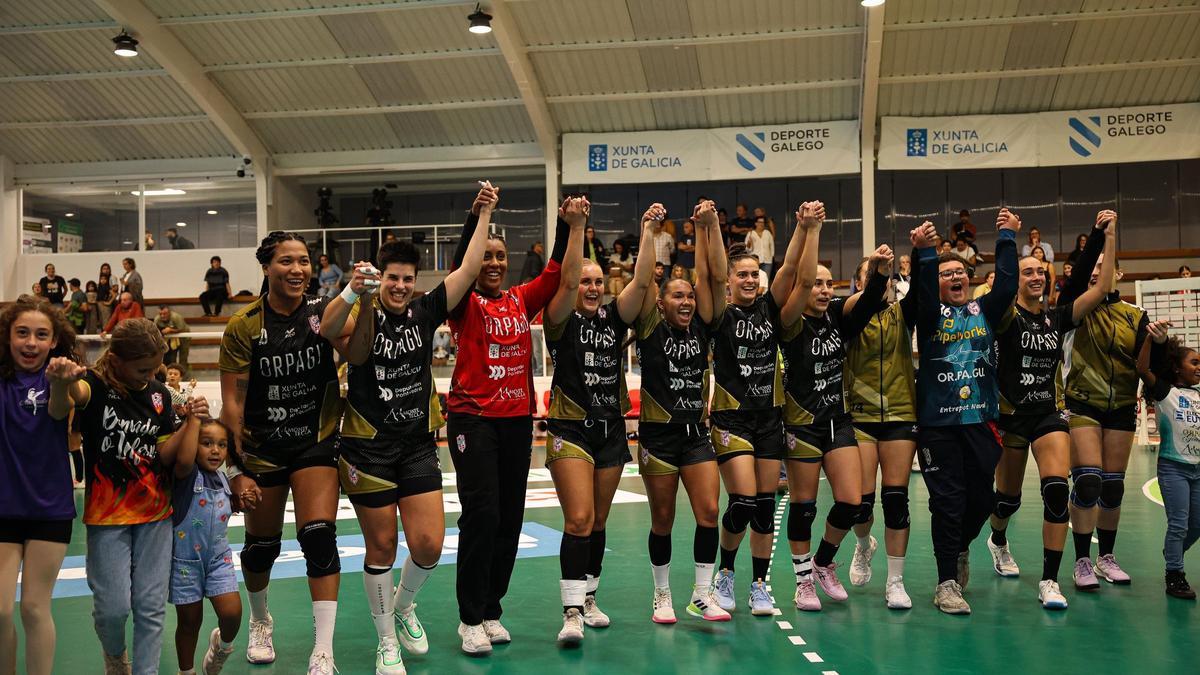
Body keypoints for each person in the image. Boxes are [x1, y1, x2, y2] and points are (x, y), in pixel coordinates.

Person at [319, 183, 496, 673]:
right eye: (392, 278)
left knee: (429, 545)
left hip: (416, 444)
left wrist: (484, 213)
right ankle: (385, 642)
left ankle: (402, 605)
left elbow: (468, 269)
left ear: (416, 282)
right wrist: (352, 289)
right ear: (381, 278)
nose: (399, 286)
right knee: (382, 547)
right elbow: (328, 329)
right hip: (367, 448)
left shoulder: (425, 311)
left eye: (407, 279)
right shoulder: (361, 310)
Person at [443, 188, 570, 656]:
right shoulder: (463, 302)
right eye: (487, 256)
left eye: (500, 256)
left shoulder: (520, 300)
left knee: (511, 518)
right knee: (483, 515)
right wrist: (479, 214)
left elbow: (554, 273)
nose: (493, 263)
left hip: (517, 421)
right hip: (472, 420)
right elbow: (462, 263)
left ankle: (491, 609)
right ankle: (469, 618)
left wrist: (566, 225)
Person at [219, 232, 346, 674]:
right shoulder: (244, 326)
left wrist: (360, 297)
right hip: (262, 448)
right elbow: (232, 404)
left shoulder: (324, 311)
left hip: (315, 441)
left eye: (304, 261)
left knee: (318, 536)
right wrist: (235, 469)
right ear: (266, 267)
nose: (297, 269)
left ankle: (323, 649)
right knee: (261, 548)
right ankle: (260, 621)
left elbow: (359, 346)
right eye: (286, 261)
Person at [986, 210, 1115, 611]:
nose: (1036, 277)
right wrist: (1008, 237)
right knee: (1006, 500)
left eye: (1040, 272)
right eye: (1027, 272)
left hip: (1048, 414)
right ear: (1017, 279)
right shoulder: (1006, 317)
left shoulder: (1057, 317)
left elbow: (1100, 287)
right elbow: (1004, 282)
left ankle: (1049, 580)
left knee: (1057, 491)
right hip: (1011, 417)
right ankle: (998, 539)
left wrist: (1106, 236)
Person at [542, 200, 650, 645]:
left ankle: (589, 598)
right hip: (570, 430)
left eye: (597, 282)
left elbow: (642, 282)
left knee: (599, 522)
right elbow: (566, 279)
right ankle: (570, 612)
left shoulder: (613, 318)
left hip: (610, 430)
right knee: (579, 520)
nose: (590, 287)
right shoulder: (559, 320)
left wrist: (647, 230)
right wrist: (577, 227)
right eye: (585, 281)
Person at [780, 206, 892, 613]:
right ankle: (802, 583)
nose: (825, 290)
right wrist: (812, 230)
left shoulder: (836, 318)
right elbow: (801, 278)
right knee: (804, 506)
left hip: (837, 422)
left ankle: (824, 562)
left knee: (852, 502)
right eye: (818, 284)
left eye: (830, 284)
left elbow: (868, 302)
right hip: (801, 424)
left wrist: (879, 271)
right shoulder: (789, 321)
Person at [913, 208, 1019, 615]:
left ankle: (960, 548)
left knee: (980, 500)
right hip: (938, 425)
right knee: (948, 502)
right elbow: (923, 293)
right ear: (937, 282)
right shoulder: (929, 316)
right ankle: (946, 582)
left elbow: (1007, 285)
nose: (956, 276)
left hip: (981, 422)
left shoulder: (983, 311)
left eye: (960, 272)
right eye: (946, 273)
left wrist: (1006, 237)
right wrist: (926, 253)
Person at [705, 203, 807, 616]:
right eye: (741, 275)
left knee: (764, 509)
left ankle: (759, 585)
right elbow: (711, 273)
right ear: (730, 281)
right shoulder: (720, 315)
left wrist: (803, 226)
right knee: (743, 502)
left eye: (753, 274)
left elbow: (791, 269)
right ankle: (725, 572)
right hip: (731, 419)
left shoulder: (769, 308)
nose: (749, 280)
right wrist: (710, 227)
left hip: (769, 418)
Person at [74, 318, 190, 675]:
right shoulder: (92, 385)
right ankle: (114, 654)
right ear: (117, 360)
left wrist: (190, 424)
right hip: (107, 516)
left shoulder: (158, 394)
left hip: (156, 513)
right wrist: (63, 379)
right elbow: (74, 395)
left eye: (155, 368)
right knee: (112, 608)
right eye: (143, 369)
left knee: (151, 606)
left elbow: (165, 451)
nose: (150, 376)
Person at [635, 200, 730, 625]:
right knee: (663, 520)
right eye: (678, 295)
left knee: (708, 512)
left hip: (695, 436)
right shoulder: (649, 325)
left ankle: (701, 594)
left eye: (689, 295)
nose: (687, 300)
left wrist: (708, 227)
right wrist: (650, 231)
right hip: (658, 437)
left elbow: (714, 276)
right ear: (661, 303)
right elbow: (642, 280)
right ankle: (661, 594)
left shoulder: (702, 327)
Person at [0, 296, 80, 675]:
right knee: (0, 611)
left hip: (49, 508)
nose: (30, 343)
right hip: (3, 507)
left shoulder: (61, 379)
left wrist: (60, 384)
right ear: (8, 336)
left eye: (41, 335)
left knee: (34, 607)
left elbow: (58, 411)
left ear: (54, 341)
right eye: (22, 333)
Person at [1063, 235, 1147, 590]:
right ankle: (1082, 560)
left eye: (1104, 265)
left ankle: (1106, 558)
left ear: (1119, 273)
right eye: (1093, 267)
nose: (1098, 271)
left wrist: (1158, 343)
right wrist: (1107, 235)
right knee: (1088, 481)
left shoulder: (1135, 316)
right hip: (1082, 402)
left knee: (1112, 488)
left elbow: (1146, 365)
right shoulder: (1077, 307)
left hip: (1122, 407)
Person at [844, 245, 922, 609]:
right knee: (860, 504)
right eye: (872, 275)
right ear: (859, 283)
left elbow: (921, 291)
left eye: (885, 277)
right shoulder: (848, 316)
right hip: (860, 417)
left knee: (895, 500)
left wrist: (921, 251)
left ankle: (895, 581)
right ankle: (863, 543)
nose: (881, 282)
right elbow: (864, 303)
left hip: (900, 415)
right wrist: (877, 272)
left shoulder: (902, 314)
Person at [170, 415, 243, 675]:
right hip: (185, 562)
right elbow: (183, 460)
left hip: (218, 560)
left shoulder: (223, 480)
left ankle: (220, 648)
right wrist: (192, 421)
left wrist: (243, 500)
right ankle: (186, 671)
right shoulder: (186, 475)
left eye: (222, 445)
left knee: (232, 614)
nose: (215, 450)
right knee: (189, 622)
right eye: (207, 443)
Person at [1140, 320, 1200, 599]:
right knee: (1178, 523)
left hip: (1198, 470)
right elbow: (1143, 369)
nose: (1199, 367)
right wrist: (1150, 339)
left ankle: (1172, 552)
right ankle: (1174, 575)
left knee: (1196, 524)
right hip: (1173, 468)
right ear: (1177, 368)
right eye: (1194, 362)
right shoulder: (1166, 392)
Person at [97, 264, 116, 329]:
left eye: (105, 279)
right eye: (101, 279)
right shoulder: (99, 286)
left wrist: (109, 302)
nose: (103, 280)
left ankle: (107, 331)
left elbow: (114, 295)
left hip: (105, 305)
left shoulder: (107, 287)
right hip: (99, 304)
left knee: (106, 320)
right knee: (101, 320)